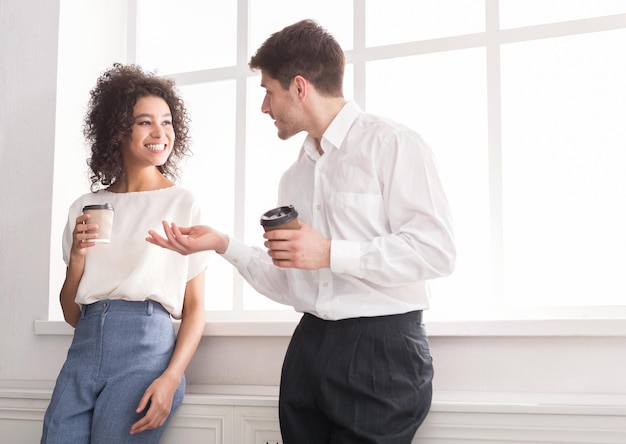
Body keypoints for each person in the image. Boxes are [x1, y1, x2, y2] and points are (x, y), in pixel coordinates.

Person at [147, 19, 455, 444]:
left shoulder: (395, 145)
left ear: (299, 87)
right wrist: (222, 244)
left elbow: (436, 251)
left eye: (268, 92)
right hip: (308, 349)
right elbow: (292, 283)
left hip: (382, 351)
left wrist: (329, 252)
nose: (264, 108)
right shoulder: (293, 178)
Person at [41, 63, 208, 443]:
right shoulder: (85, 207)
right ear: (118, 130)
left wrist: (170, 378)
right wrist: (79, 257)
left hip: (145, 353)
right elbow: (71, 312)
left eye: (166, 122)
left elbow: (195, 309)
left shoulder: (182, 204)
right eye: (145, 122)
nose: (160, 133)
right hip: (84, 348)